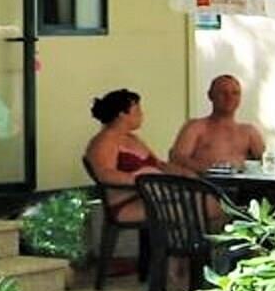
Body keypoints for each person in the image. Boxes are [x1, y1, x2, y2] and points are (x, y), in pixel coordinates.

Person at [84, 88, 196, 224]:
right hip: (129, 202)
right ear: (122, 114)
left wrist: (184, 174)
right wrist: (145, 182)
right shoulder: (104, 141)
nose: (141, 115)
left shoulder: (133, 139)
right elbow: (105, 174)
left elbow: (159, 164)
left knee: (207, 199)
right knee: (198, 207)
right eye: (137, 111)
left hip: (155, 194)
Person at [169, 74, 267, 173]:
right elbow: (177, 159)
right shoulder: (196, 128)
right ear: (210, 95)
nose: (229, 97)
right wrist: (211, 170)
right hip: (204, 181)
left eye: (235, 93)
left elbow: (268, 164)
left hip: (240, 182)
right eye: (223, 92)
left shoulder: (250, 133)